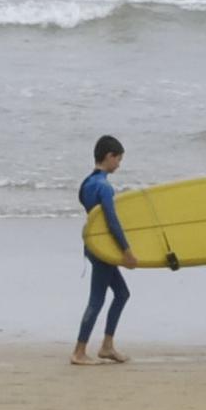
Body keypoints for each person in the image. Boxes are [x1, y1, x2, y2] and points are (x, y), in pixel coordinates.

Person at [73, 135, 137, 366]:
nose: (119, 164)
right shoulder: (104, 187)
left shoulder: (87, 183)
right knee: (97, 299)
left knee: (122, 294)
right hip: (103, 249)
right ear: (109, 156)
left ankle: (107, 347)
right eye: (118, 159)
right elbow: (112, 222)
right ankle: (79, 352)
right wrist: (127, 251)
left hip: (92, 246)